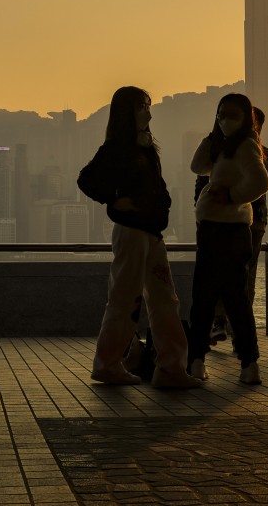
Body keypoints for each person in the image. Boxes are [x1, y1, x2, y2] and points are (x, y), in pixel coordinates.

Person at [77, 86, 201, 389]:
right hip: (132, 233)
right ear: (126, 112)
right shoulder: (116, 148)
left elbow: (156, 185)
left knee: (165, 300)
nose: (149, 111)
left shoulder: (145, 147)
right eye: (142, 106)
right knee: (124, 300)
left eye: (149, 105)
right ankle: (107, 364)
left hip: (152, 233)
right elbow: (86, 179)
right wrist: (113, 200)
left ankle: (171, 368)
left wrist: (164, 204)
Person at [196, 106, 268, 344]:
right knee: (245, 275)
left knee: (218, 272)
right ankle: (239, 330)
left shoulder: (222, 151)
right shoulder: (260, 152)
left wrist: (200, 212)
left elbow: (202, 184)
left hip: (224, 221)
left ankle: (221, 324)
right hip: (250, 222)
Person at [187, 93, 268, 384]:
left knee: (229, 298)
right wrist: (210, 138)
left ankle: (248, 363)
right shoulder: (223, 147)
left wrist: (232, 196)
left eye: (231, 114)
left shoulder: (246, 146)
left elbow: (262, 182)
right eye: (220, 114)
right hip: (212, 229)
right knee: (207, 298)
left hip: (229, 231)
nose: (224, 120)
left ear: (246, 117)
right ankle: (198, 362)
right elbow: (197, 166)